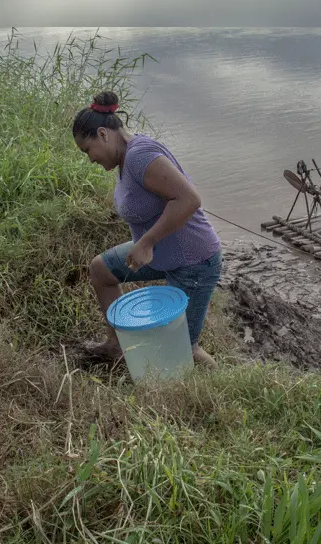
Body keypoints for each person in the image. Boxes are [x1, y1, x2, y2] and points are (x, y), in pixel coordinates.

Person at [73, 91, 222, 370]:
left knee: (182, 350)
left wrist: (146, 243)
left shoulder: (140, 156)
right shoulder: (125, 158)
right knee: (101, 270)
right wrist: (146, 243)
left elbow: (189, 200)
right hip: (164, 255)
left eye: (87, 150)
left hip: (195, 261)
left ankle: (221, 386)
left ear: (103, 134)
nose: (89, 158)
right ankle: (115, 345)